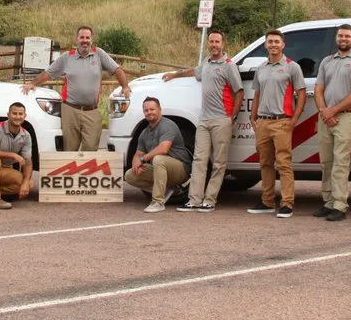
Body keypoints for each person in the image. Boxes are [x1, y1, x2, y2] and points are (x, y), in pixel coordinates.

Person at [164, 29, 244, 212]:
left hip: (221, 120)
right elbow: (194, 71)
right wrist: (175, 75)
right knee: (199, 159)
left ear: (223, 44)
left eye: (217, 42)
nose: (214, 45)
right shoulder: (206, 63)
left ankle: (210, 199)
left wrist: (232, 116)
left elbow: (239, 91)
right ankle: (194, 200)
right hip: (204, 120)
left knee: (219, 162)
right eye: (211, 41)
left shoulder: (229, 65)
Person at [21, 26, 130, 151]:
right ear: (76, 39)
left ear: (91, 40)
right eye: (82, 37)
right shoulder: (67, 57)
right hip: (70, 110)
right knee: (70, 149)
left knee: (91, 148)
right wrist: (33, 83)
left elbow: (117, 69)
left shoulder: (99, 54)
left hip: (92, 110)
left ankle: (86, 170)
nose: (85, 40)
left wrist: (125, 86)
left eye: (87, 37)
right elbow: (48, 73)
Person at [313, 24, 351, 222]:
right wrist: (324, 111)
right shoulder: (327, 61)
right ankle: (327, 201)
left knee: (340, 161)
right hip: (325, 117)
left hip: (345, 116)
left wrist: (332, 111)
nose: (343, 39)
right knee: (326, 162)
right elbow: (318, 89)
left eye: (347, 36)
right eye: (340, 36)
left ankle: (339, 204)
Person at [246, 30, 305, 218]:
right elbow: (257, 94)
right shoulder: (261, 68)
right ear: (265, 45)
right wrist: (253, 117)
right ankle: (267, 201)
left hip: (282, 121)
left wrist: (294, 119)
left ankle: (287, 203)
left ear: (283, 45)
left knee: (284, 164)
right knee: (265, 163)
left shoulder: (291, 67)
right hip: (263, 122)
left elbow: (301, 95)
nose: (273, 44)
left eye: (276, 41)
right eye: (270, 41)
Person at [124, 97, 192, 213]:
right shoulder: (144, 132)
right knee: (129, 175)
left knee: (158, 159)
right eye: (146, 110)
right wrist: (136, 164)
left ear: (159, 110)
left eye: (152, 109)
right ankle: (166, 190)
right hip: (160, 168)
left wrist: (143, 159)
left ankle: (158, 202)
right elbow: (138, 154)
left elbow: (163, 149)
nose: (149, 112)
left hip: (181, 169)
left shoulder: (167, 125)